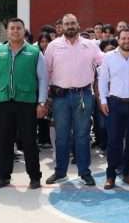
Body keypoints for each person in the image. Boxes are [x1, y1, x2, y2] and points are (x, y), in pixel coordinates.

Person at [0, 18, 48, 189]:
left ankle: (34, 177)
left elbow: (43, 78)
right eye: (12, 28)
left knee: (29, 141)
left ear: (24, 30)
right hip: (3, 102)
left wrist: (42, 102)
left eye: (18, 28)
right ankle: (4, 176)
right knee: (4, 140)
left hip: (27, 102)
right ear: (7, 31)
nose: (15, 31)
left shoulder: (34, 52)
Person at [44, 13, 103, 186]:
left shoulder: (90, 45)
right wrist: (45, 97)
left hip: (83, 95)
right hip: (60, 97)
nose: (70, 26)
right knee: (61, 136)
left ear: (78, 25)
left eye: (72, 23)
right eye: (67, 24)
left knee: (82, 136)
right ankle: (60, 172)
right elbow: (46, 72)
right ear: (62, 27)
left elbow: (104, 64)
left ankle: (85, 172)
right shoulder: (53, 46)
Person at [97, 27, 129, 190]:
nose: (126, 41)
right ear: (118, 40)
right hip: (115, 103)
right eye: (123, 38)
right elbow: (103, 79)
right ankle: (110, 175)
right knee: (114, 141)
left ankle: (127, 172)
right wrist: (103, 100)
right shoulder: (108, 57)